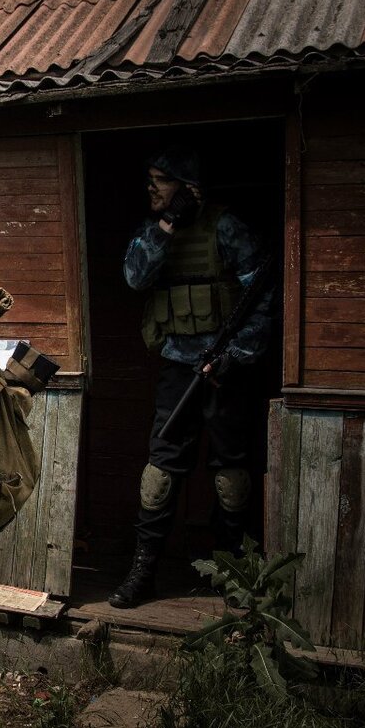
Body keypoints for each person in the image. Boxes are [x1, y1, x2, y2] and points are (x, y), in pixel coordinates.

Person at [108, 147, 272, 609]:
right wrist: (167, 226)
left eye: (161, 180)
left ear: (187, 184)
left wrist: (238, 354)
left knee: (230, 474)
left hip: (226, 370)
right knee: (159, 474)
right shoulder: (154, 230)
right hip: (179, 367)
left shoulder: (226, 227)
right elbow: (135, 278)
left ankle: (233, 572)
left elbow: (263, 292)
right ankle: (144, 572)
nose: (151, 188)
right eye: (151, 179)